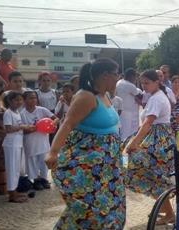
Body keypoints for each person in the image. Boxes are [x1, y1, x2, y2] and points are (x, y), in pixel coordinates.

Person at [45, 58, 125, 229]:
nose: (118, 79)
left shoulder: (105, 96)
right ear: (105, 75)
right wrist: (53, 152)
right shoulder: (85, 97)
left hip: (107, 167)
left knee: (110, 207)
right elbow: (67, 124)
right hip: (89, 165)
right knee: (92, 210)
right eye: (116, 75)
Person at [124, 69, 175, 225]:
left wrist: (133, 143)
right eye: (142, 83)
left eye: (147, 83)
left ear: (156, 82)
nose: (144, 86)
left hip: (158, 141)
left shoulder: (157, 99)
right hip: (159, 139)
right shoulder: (156, 97)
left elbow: (147, 123)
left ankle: (169, 212)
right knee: (156, 175)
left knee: (149, 172)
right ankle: (163, 206)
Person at [20, 91, 58, 190]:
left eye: (34, 98)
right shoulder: (22, 114)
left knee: (43, 161)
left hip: (43, 141)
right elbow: (21, 131)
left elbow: (56, 119)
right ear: (24, 100)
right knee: (32, 161)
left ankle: (44, 179)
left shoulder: (42, 110)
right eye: (30, 98)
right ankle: (35, 180)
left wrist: (53, 124)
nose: (33, 100)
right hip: (30, 142)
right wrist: (33, 129)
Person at [2, 91, 33, 203]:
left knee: (16, 170)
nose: (19, 102)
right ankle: (11, 194)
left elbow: (18, 128)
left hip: (18, 144)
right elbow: (8, 129)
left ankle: (14, 191)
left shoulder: (17, 112)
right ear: (10, 101)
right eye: (16, 100)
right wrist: (22, 127)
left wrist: (26, 128)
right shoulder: (8, 113)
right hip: (11, 145)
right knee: (12, 169)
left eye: (20, 100)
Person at [116, 68, 142, 141]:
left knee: (124, 133)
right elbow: (140, 96)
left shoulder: (120, 82)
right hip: (128, 113)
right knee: (127, 134)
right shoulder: (129, 85)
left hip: (123, 111)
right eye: (135, 77)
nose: (136, 79)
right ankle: (125, 150)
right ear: (131, 76)